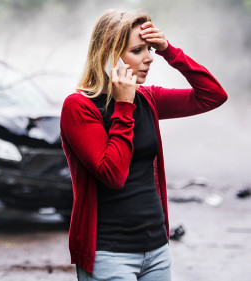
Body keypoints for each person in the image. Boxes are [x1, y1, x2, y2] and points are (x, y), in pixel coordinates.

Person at [60, 9, 227, 281]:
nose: (149, 58)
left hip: (156, 250)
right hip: (109, 255)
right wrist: (124, 105)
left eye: (149, 48)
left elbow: (213, 95)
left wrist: (170, 51)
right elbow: (113, 174)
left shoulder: (148, 98)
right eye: (138, 50)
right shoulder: (79, 107)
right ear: (109, 55)